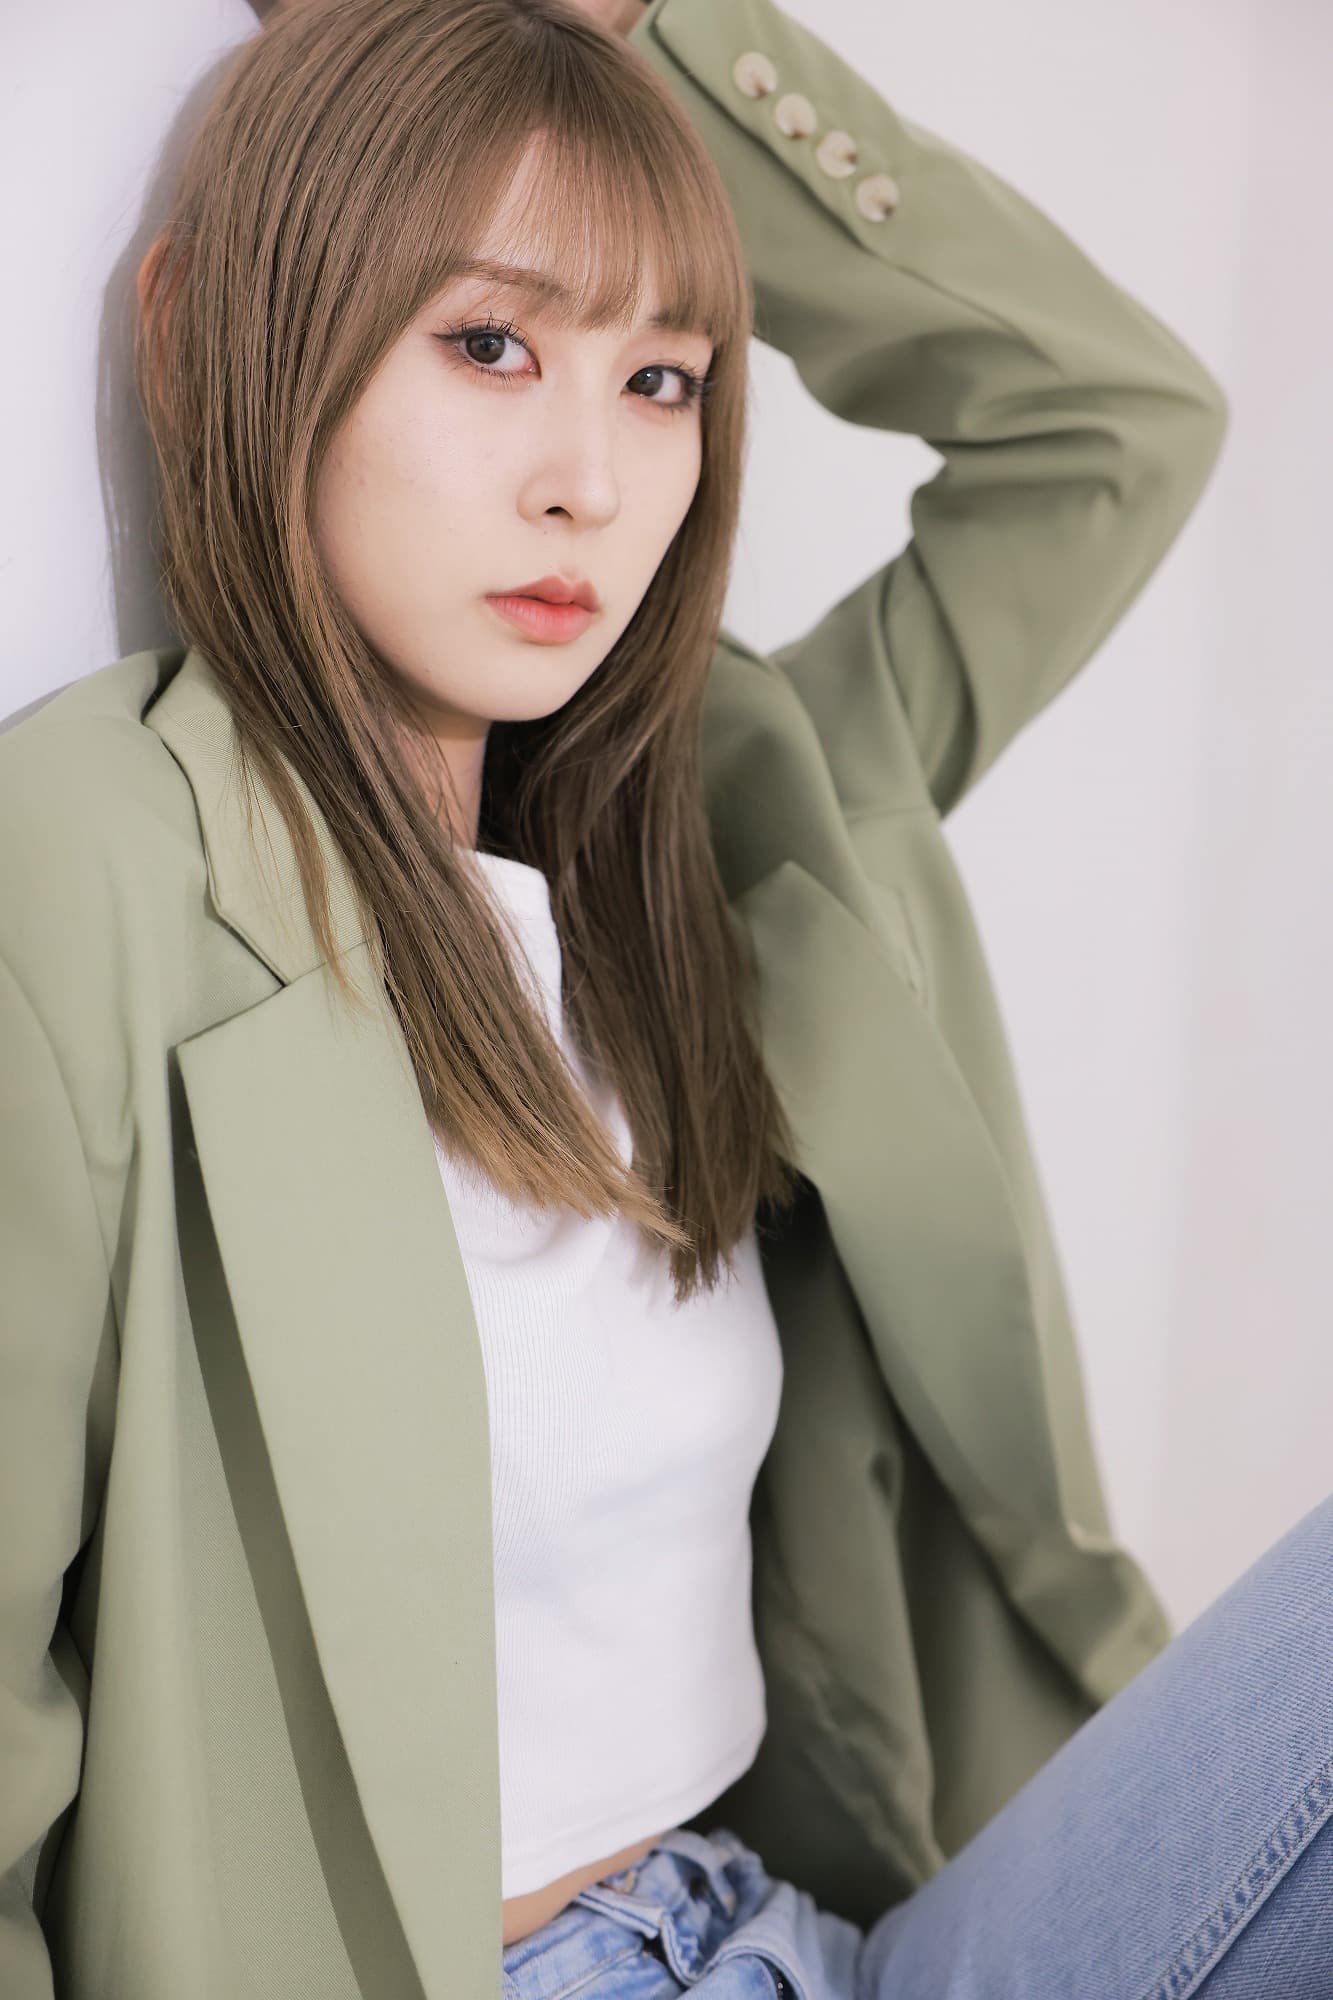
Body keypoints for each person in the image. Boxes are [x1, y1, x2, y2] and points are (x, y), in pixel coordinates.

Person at [9, 1, 1321, 1997]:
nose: (592, 483)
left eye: (661, 378)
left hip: (801, 1931)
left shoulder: (723, 814)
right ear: (202, 336)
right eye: (489, 344)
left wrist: (651, 41)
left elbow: (1109, 427)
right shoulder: (93, 861)